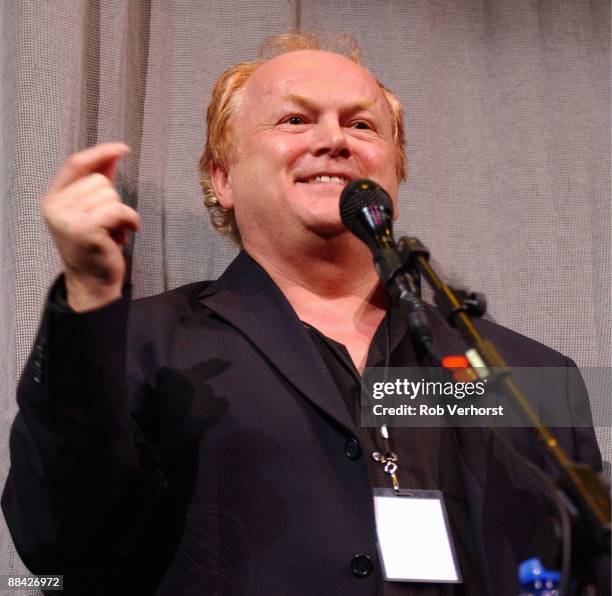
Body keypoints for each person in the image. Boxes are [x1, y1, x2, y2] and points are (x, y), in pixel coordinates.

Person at [1, 33, 606, 595]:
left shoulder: (522, 375)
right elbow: (57, 540)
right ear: (222, 179)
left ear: (394, 171)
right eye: (295, 119)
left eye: (361, 124)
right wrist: (87, 299)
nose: (334, 140)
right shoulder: (140, 346)